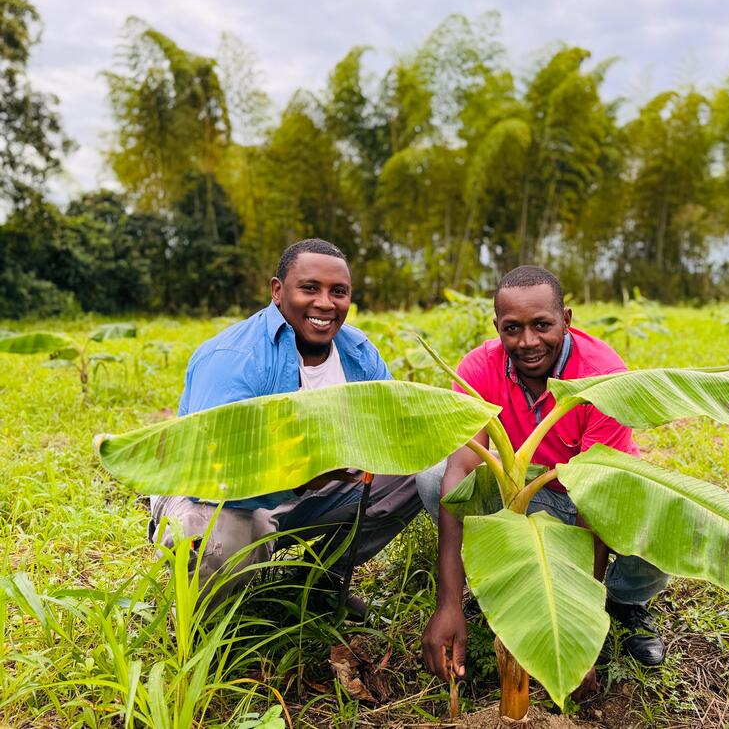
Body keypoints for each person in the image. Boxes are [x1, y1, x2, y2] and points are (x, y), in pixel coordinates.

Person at [417, 265, 669, 690]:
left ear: (566, 320)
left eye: (542, 325)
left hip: (594, 499)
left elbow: (594, 498)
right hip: (529, 492)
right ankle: (499, 584)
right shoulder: (480, 367)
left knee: (658, 519)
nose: (528, 342)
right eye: (512, 328)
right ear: (497, 326)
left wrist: (578, 630)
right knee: (433, 479)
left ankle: (624, 604)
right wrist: (448, 604)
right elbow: (460, 470)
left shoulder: (602, 373)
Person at [149, 238, 422, 615]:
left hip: (319, 488)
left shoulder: (358, 354)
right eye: (310, 288)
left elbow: (391, 429)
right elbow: (211, 472)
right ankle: (204, 625)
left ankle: (315, 579)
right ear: (278, 291)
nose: (325, 303)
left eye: (338, 292)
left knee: (418, 472)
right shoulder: (234, 359)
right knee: (215, 543)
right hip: (220, 493)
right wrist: (297, 478)